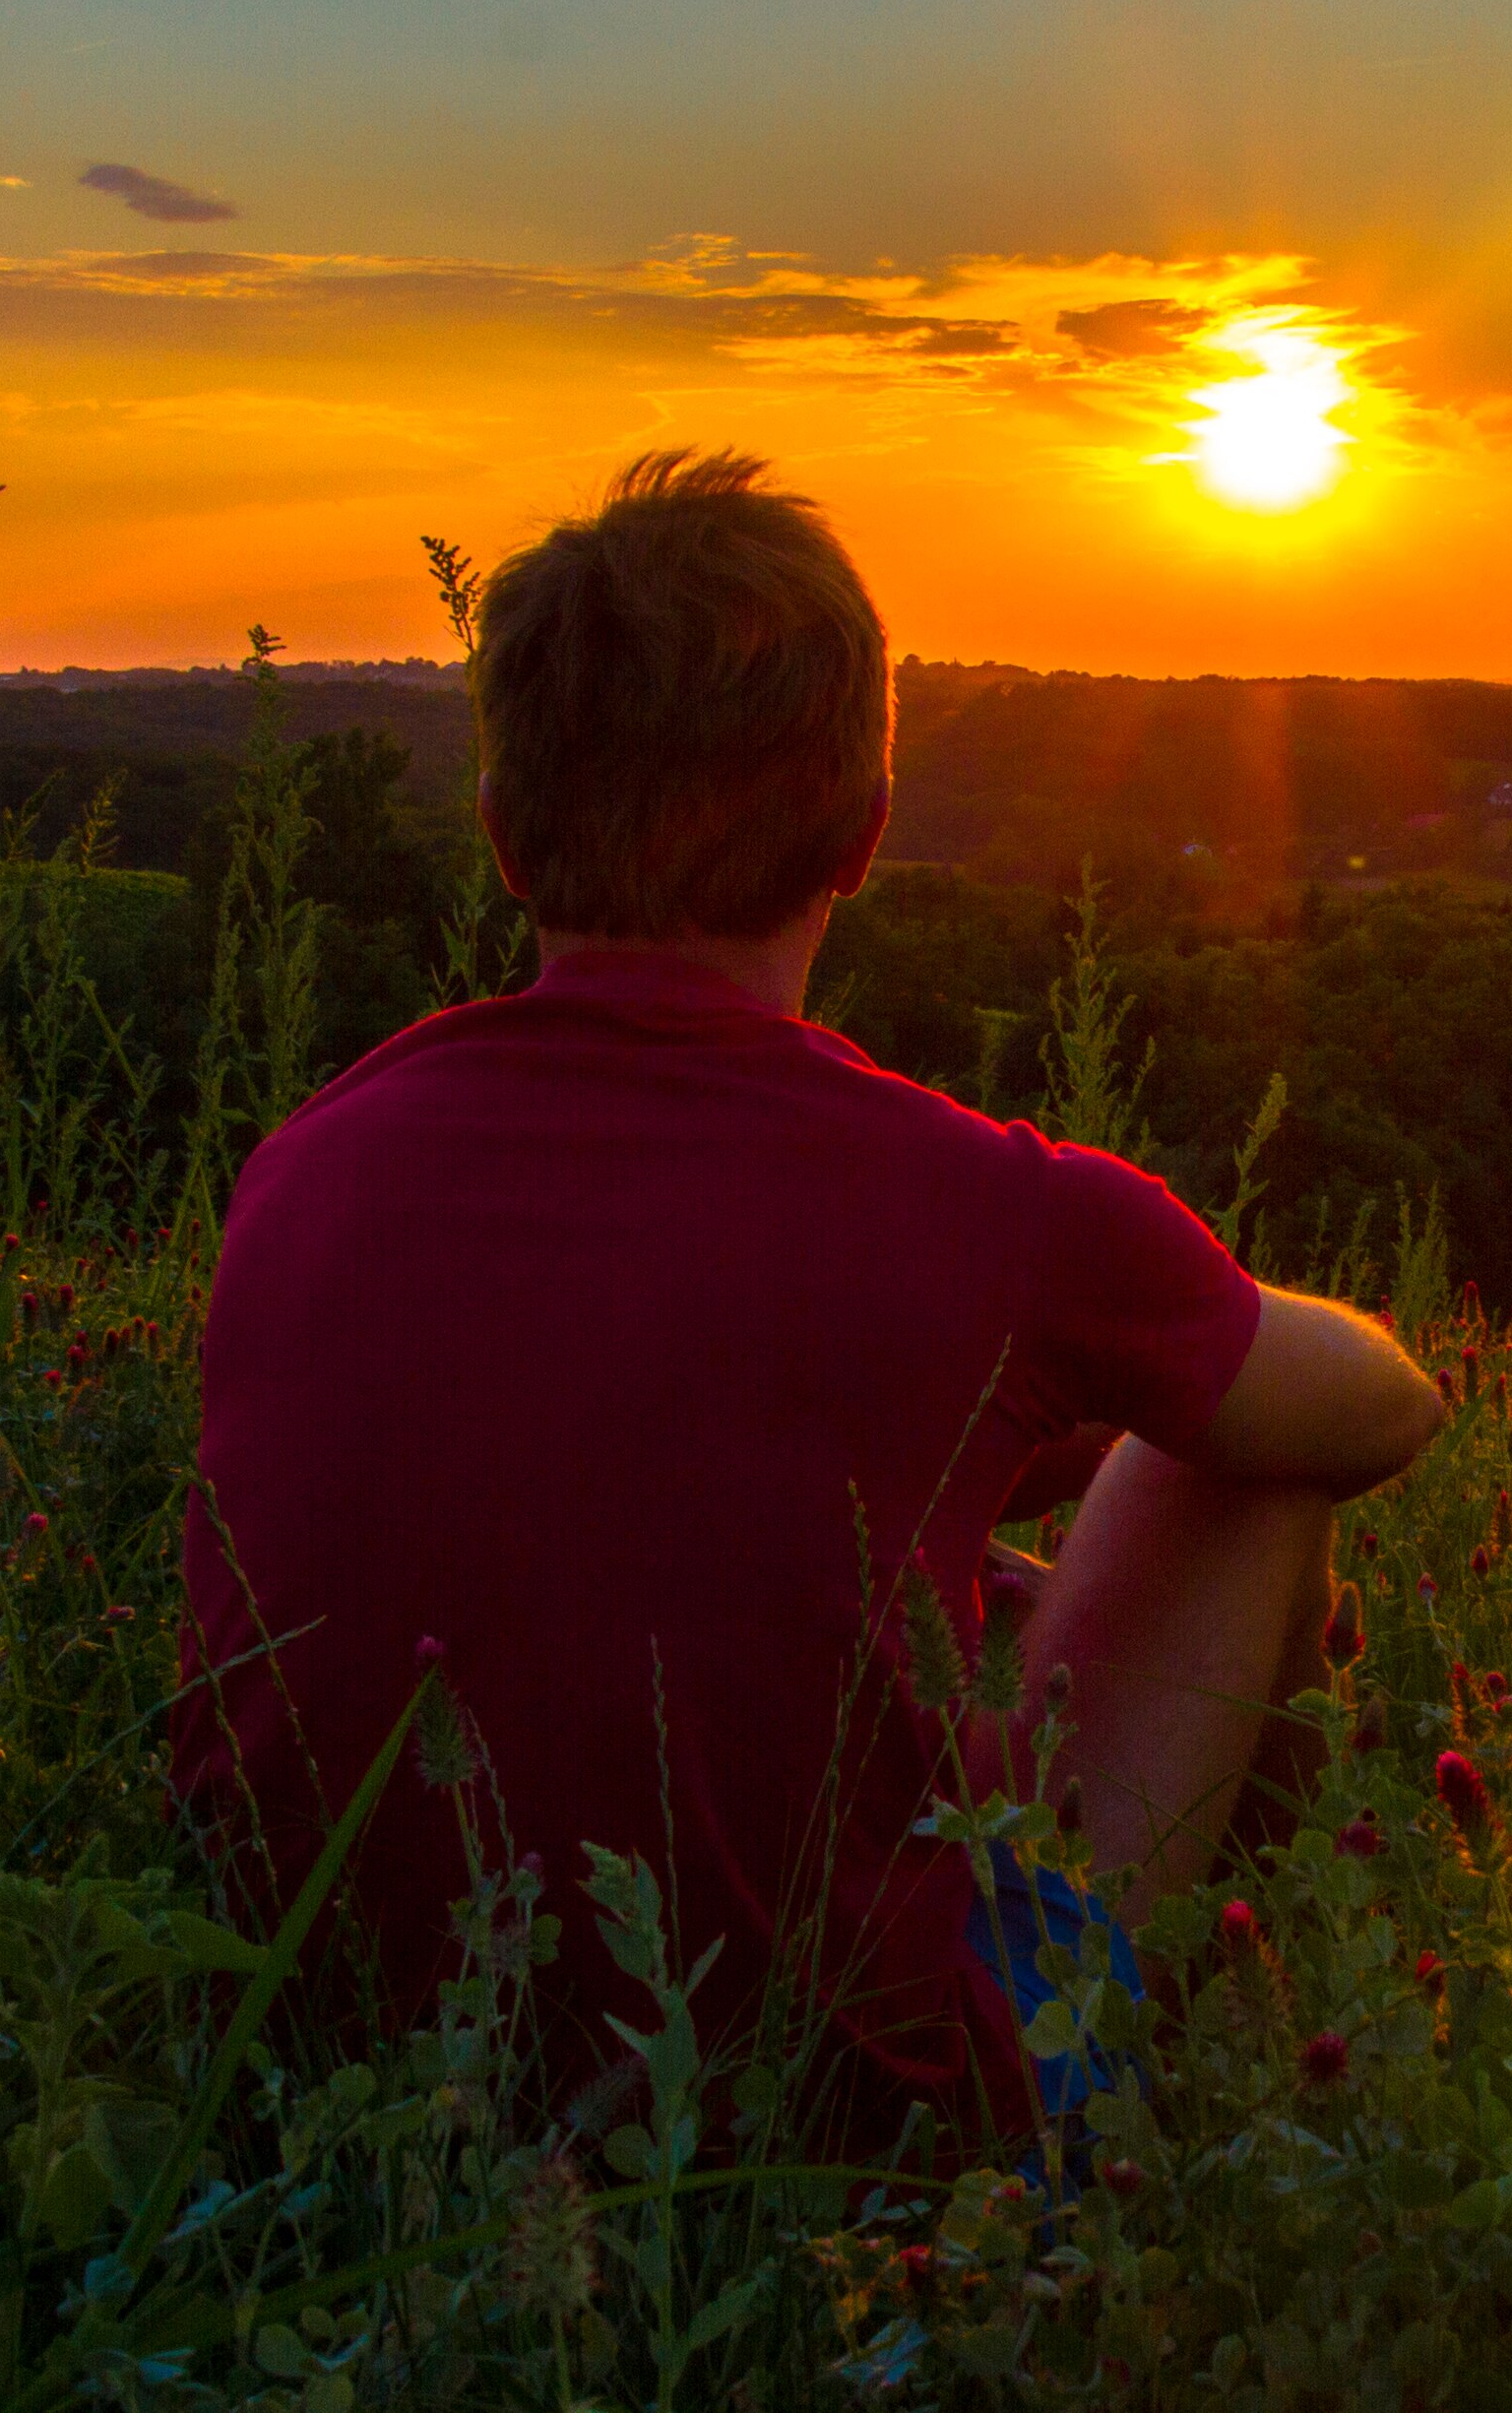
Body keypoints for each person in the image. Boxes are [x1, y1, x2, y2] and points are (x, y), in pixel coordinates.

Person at [173, 448, 1445, 2157]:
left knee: (966, 1591)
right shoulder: (987, 1210)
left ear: (499, 834)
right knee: (1239, 1463)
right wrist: (1094, 1407)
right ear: (865, 829)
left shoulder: (302, 1172)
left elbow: (595, 1446)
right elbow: (1379, 1410)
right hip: (844, 2132)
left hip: (320, 2100)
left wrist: (957, 1477)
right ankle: (1176, 2101)